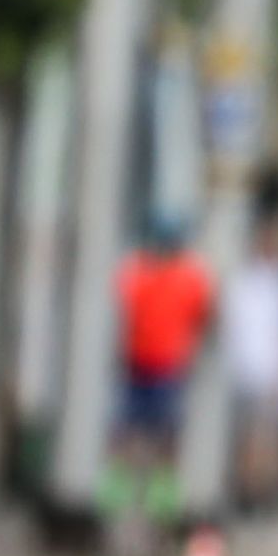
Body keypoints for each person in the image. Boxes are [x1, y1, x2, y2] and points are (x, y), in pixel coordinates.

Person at [106, 214, 214, 529]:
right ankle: (122, 497)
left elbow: (204, 314)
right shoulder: (140, 270)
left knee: (163, 435)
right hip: (139, 363)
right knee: (129, 432)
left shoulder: (188, 275)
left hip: (168, 364)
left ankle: (160, 500)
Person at [223, 216, 278, 511]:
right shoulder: (245, 278)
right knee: (247, 439)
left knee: (268, 440)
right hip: (246, 371)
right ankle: (245, 495)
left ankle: (264, 497)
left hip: (274, 374)